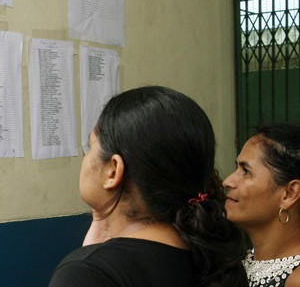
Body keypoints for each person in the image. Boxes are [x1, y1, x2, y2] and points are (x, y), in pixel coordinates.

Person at [48, 86, 248, 287]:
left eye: (90, 146)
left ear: (113, 170)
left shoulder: (89, 273)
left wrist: (89, 263)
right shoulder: (220, 264)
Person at [223, 123, 300, 287]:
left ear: (289, 194)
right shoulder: (243, 262)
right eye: (236, 168)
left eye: (246, 172)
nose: (227, 182)